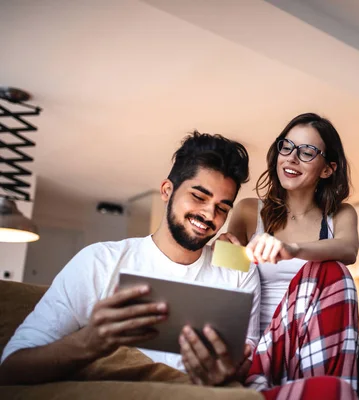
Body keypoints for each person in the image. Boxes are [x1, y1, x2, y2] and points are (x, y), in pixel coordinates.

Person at [0, 132, 261, 386]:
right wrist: (89, 342)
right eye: (199, 196)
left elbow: (248, 362)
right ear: (167, 190)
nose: (209, 214)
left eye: (222, 207)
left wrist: (227, 374)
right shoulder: (100, 261)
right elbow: (11, 367)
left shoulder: (236, 267)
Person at [191, 113, 359, 398]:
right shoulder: (249, 211)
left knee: (334, 271)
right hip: (259, 346)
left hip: (311, 343)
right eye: (287, 147)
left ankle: (321, 389)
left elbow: (349, 249)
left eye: (307, 152)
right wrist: (225, 248)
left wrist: (292, 250)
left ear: (327, 169)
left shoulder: (339, 215)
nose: (292, 158)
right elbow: (230, 270)